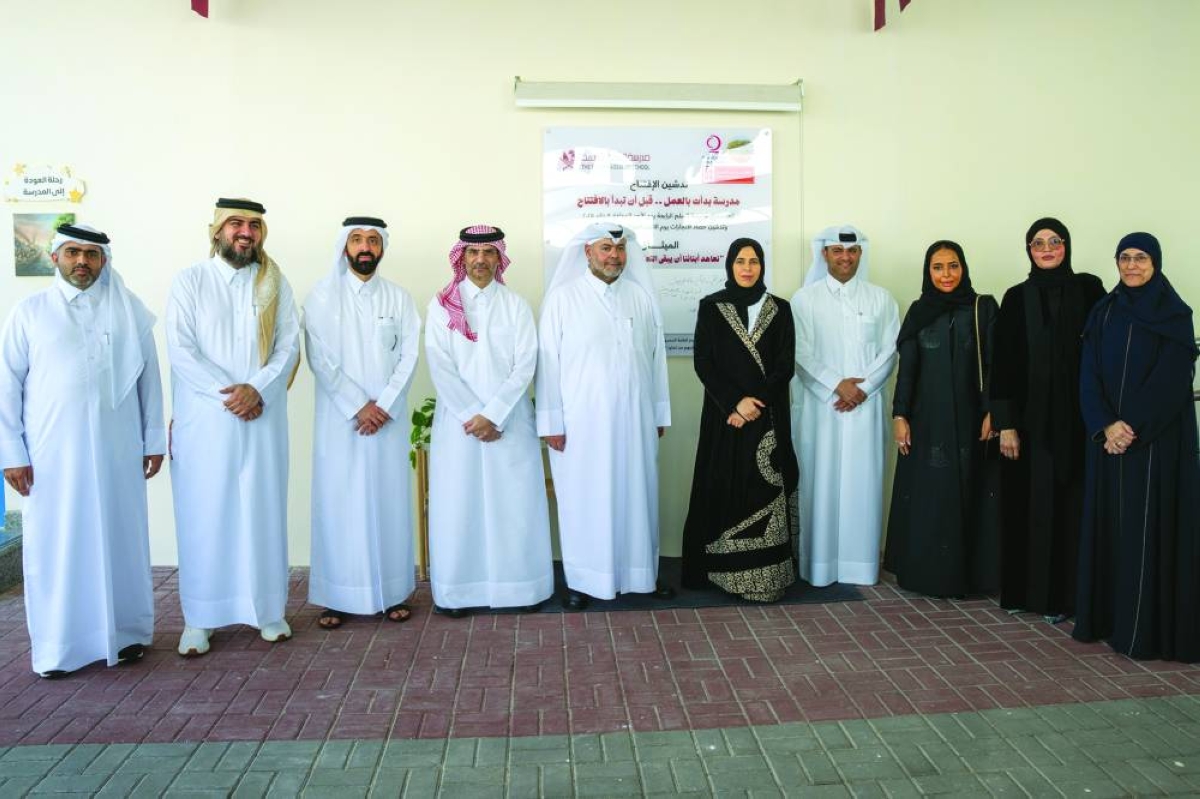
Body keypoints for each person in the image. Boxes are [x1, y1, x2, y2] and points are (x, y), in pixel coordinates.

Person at [0, 224, 165, 678]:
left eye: (92, 255)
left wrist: (153, 442)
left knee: (121, 542)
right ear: (55, 257)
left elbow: (149, 382)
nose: (82, 262)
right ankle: (59, 649)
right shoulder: (29, 313)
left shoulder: (130, 312)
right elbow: (6, 386)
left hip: (119, 453)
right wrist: (11, 452)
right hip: (53, 459)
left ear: (104, 261)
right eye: (73, 252)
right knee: (59, 546)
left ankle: (126, 635)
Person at [167, 198, 301, 656]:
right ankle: (200, 619)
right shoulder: (190, 281)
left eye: (254, 226)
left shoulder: (275, 284)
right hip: (207, 421)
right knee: (205, 514)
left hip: (261, 417)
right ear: (217, 231)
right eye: (236, 224)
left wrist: (257, 388)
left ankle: (268, 612)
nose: (245, 233)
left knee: (261, 510)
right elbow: (181, 350)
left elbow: (289, 345)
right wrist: (230, 394)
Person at [1074, 232, 1200, 661]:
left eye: (1140, 258)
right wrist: (1106, 425)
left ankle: (1144, 630)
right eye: (1124, 257)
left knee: (1148, 531)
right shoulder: (1103, 311)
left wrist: (1131, 430)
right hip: (1108, 444)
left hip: (1155, 446)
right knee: (1112, 529)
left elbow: (1172, 380)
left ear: (1156, 262)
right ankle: (1110, 621)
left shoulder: (1175, 315)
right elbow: (1088, 375)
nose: (1131, 265)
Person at [536, 222, 672, 610]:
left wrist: (659, 412)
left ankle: (640, 574)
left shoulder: (640, 298)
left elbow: (656, 360)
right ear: (587, 253)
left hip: (636, 421)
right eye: (605, 249)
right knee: (586, 499)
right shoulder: (563, 299)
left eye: (619, 249)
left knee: (637, 494)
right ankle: (582, 581)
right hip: (581, 426)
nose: (614, 256)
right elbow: (547, 365)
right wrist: (551, 423)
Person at [426, 225, 553, 617]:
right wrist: (472, 416)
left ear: (499, 258)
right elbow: (439, 364)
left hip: (508, 423)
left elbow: (525, 363)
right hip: (460, 425)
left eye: (488, 253)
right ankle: (458, 593)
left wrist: (493, 414)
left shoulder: (515, 305)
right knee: (459, 505)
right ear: (461, 258)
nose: (480, 260)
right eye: (473, 253)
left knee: (513, 506)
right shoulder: (441, 305)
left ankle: (520, 589)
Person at [303, 216, 420, 628]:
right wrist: (357, 406)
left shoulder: (399, 298)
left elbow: (409, 355)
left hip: (386, 421)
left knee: (387, 502)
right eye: (357, 239)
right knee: (340, 503)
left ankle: (391, 593)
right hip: (342, 422)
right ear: (344, 246)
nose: (365, 246)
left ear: (383, 248)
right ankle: (338, 595)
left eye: (373, 240)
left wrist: (383, 404)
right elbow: (320, 359)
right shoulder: (320, 298)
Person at [990, 217, 1104, 622]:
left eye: (1055, 241)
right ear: (1029, 250)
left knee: (1072, 509)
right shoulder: (1016, 297)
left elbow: (1104, 352)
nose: (1048, 248)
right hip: (1028, 425)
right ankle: (1026, 594)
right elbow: (1001, 364)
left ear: (1067, 245)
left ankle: (1068, 600)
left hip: (1079, 423)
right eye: (1039, 243)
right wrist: (1006, 423)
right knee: (1028, 508)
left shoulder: (1090, 290)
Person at [681, 238, 798, 601]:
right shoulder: (712, 307)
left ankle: (765, 577)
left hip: (767, 417)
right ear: (730, 265)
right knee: (725, 483)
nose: (747, 268)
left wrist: (754, 403)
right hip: (724, 416)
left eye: (754, 261)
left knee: (762, 486)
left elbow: (785, 366)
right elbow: (704, 363)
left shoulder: (780, 309)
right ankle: (725, 574)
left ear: (762, 266)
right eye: (741, 261)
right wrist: (734, 403)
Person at [884, 240, 1000, 598]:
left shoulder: (983, 307)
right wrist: (900, 415)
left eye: (953, 266)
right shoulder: (920, 311)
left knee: (971, 493)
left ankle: (972, 578)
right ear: (927, 271)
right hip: (928, 420)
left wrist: (994, 411)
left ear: (963, 268)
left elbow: (998, 364)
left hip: (972, 421)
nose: (946, 274)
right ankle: (927, 576)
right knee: (931, 497)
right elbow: (908, 370)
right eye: (938, 267)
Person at [790, 225, 899, 586]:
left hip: (865, 409)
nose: (845, 258)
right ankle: (818, 566)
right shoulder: (804, 299)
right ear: (824, 255)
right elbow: (800, 353)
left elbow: (891, 350)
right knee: (819, 484)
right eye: (837, 251)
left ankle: (860, 566)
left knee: (862, 484)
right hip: (822, 408)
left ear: (860, 255)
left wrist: (863, 389)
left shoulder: (881, 299)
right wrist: (837, 385)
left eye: (851, 252)